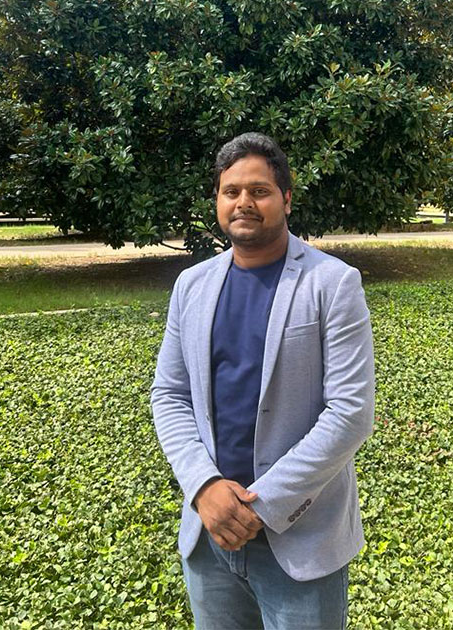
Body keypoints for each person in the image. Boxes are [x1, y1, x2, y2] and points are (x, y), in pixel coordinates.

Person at [151, 132, 375, 630]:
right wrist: (204, 486)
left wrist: (261, 507)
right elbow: (170, 394)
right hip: (208, 539)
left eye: (259, 191)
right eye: (231, 192)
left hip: (300, 544)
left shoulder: (333, 284)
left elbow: (351, 413)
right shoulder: (191, 286)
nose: (244, 203)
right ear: (217, 201)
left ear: (286, 199)